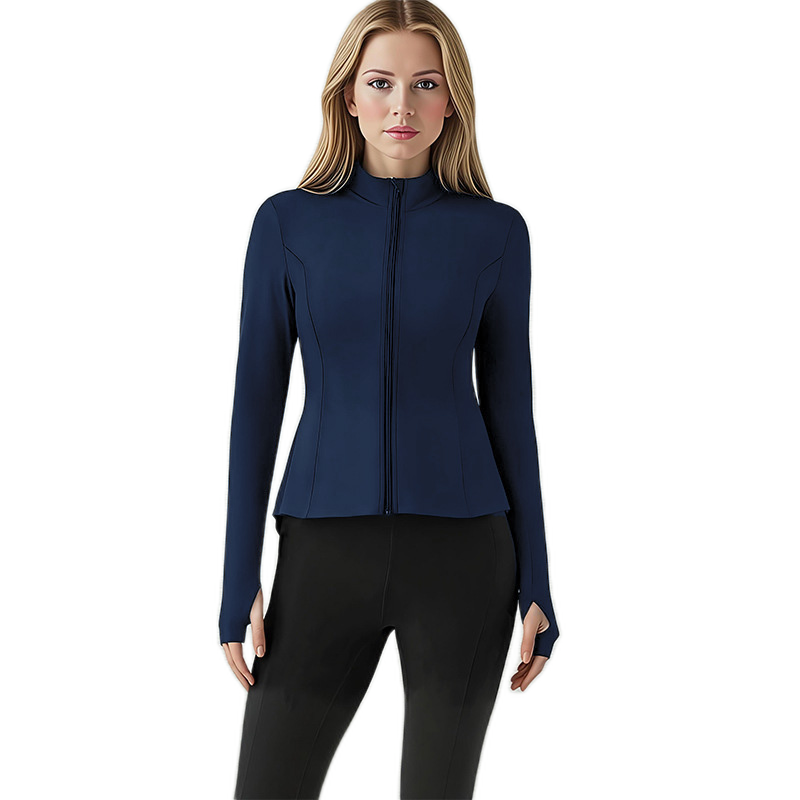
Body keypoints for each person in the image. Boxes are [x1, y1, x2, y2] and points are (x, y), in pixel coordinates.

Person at [219, 2, 560, 797]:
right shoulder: (287, 224)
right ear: (349, 96)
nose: (401, 105)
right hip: (322, 553)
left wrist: (539, 578)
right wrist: (238, 576)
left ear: (451, 102)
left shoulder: (497, 234)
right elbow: (255, 406)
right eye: (380, 83)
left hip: (467, 557)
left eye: (425, 84)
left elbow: (512, 411)